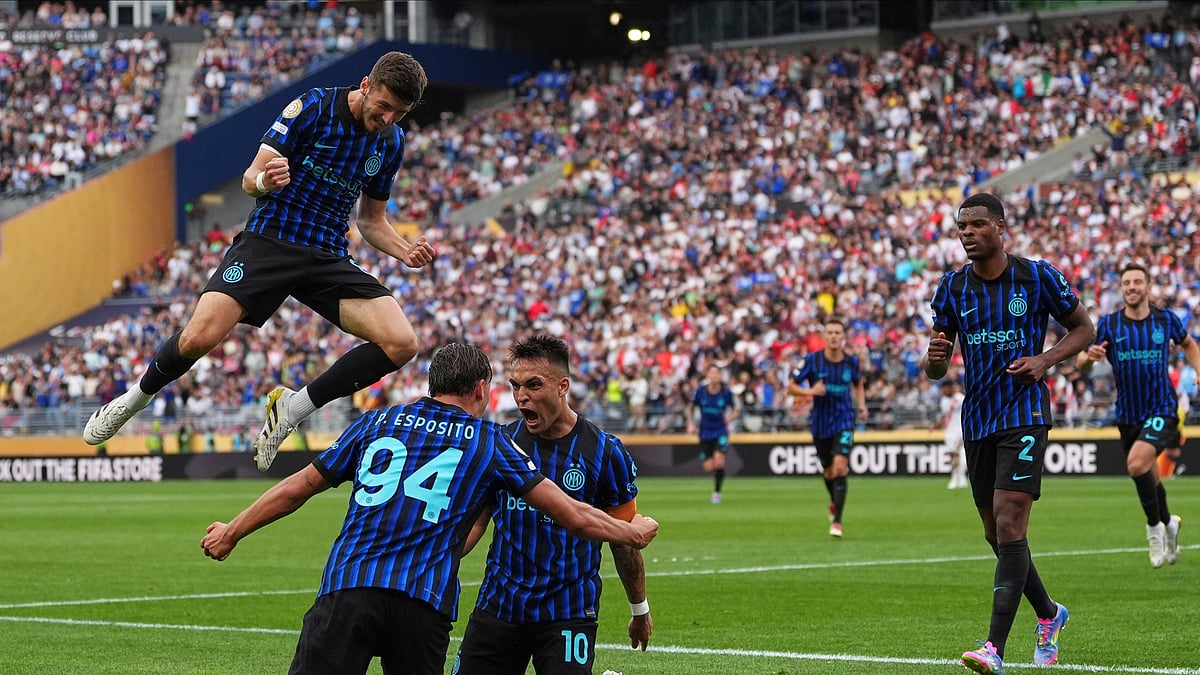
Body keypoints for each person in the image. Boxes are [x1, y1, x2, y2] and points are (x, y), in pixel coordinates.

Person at [199, 343, 658, 675]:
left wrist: (232, 530)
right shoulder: (490, 441)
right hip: (425, 602)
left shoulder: (379, 420)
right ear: (481, 388)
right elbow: (571, 514)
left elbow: (300, 486)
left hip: (350, 587)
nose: (517, 398)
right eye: (510, 386)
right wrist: (633, 533)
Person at [84, 51, 438, 474]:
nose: (387, 119)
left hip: (326, 255)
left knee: (403, 343)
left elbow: (371, 221)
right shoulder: (312, 108)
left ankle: (293, 407)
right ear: (366, 85)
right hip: (270, 242)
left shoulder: (392, 142)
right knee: (199, 337)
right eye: (383, 107)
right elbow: (250, 178)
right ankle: (133, 399)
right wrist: (265, 181)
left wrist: (404, 250)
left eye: (398, 114)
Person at [923, 193, 1094, 674]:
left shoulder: (1036, 275)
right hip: (977, 420)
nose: (967, 233)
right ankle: (1048, 614)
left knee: (1010, 520)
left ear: (1000, 227)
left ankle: (993, 648)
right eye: (962, 227)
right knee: (995, 533)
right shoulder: (951, 289)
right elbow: (936, 366)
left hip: (1024, 415)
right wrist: (935, 361)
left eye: (977, 224)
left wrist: (1044, 360)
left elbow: (1083, 328)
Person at [455, 335, 651, 675]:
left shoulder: (605, 452)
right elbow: (475, 523)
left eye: (533, 385)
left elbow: (624, 540)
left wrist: (639, 609)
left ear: (563, 386)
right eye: (515, 386)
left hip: (569, 611)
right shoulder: (499, 445)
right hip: (500, 607)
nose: (521, 397)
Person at [1076, 263, 1198, 567]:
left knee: (1136, 463)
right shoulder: (1109, 324)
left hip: (1162, 408)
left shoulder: (1164, 319)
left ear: (1147, 286)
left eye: (1137, 282)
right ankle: (1169, 523)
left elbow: (1189, 344)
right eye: (1126, 282)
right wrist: (1089, 359)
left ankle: (1154, 529)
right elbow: (1082, 362)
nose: (1131, 287)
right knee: (1149, 475)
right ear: (1122, 288)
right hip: (1129, 415)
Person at [787, 317, 868, 537]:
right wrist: (810, 392)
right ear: (824, 336)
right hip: (820, 424)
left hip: (844, 420)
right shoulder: (812, 361)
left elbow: (858, 384)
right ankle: (834, 502)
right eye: (830, 332)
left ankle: (837, 522)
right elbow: (791, 387)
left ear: (843, 337)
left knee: (840, 467)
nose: (833, 336)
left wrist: (861, 406)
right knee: (829, 471)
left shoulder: (851, 362)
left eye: (837, 333)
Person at [687, 364, 738, 504]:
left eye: (717, 373)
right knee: (709, 467)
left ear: (720, 376)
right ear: (707, 375)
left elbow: (735, 411)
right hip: (705, 432)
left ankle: (716, 493)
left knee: (719, 461)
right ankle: (716, 480)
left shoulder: (726, 392)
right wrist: (691, 424)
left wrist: (730, 417)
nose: (714, 376)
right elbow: (690, 409)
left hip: (721, 431)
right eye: (712, 373)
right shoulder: (701, 392)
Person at [937, 379, 968, 490]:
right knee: (956, 455)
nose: (944, 391)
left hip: (959, 429)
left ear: (951, 388)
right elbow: (944, 416)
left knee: (955, 454)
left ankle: (957, 478)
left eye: (946, 388)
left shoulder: (960, 398)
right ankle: (960, 478)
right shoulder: (944, 401)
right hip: (950, 430)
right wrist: (935, 426)